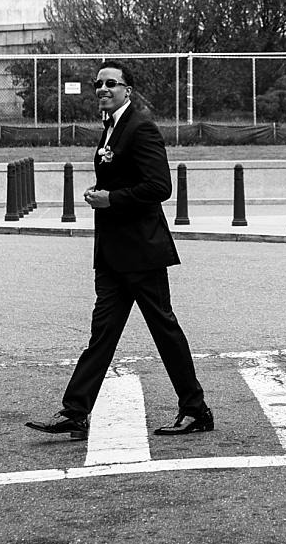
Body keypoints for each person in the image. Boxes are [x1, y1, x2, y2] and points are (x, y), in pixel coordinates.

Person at [26, 62, 211, 440]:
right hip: (112, 254)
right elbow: (122, 176)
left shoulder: (140, 127)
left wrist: (112, 199)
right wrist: (101, 191)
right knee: (103, 333)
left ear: (128, 90)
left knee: (164, 329)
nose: (102, 88)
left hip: (142, 251)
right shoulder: (110, 127)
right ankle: (75, 411)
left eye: (111, 83)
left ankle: (196, 410)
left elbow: (160, 187)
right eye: (98, 83)